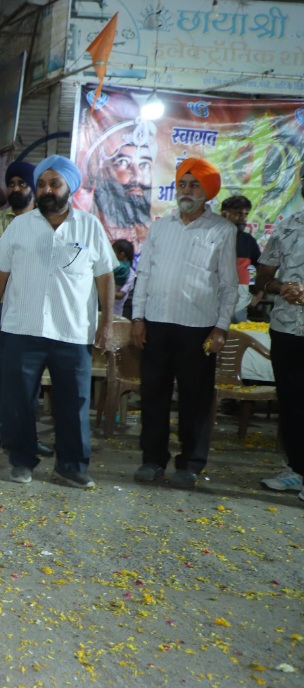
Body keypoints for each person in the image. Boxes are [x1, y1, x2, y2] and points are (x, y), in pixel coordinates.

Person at [0, 155, 115, 489]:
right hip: (20, 328)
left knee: (74, 402)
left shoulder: (90, 227)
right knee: (18, 401)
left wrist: (107, 322)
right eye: (41, 184)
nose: (46, 190)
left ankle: (71, 466)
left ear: (70, 187)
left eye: (54, 184)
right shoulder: (20, 226)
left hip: (73, 330)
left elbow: (105, 276)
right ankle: (21, 461)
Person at [131, 159, 237, 490]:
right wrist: (138, 317)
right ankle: (152, 459)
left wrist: (221, 327)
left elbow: (229, 285)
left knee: (195, 399)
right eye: (182, 184)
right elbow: (144, 274)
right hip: (157, 325)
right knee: (153, 396)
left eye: (194, 185)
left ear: (207, 192)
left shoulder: (222, 230)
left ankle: (190, 464)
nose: (186, 191)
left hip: (198, 329)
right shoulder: (161, 227)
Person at [0, 160, 53, 457]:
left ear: (33, 188)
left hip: (33, 306)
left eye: (23, 183)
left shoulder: (47, 220)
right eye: (11, 184)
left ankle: (24, 435)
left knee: (29, 377)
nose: (16, 188)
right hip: (1, 306)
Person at [253, 170, 304, 499]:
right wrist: (281, 287)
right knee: (291, 402)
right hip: (286, 329)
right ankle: (296, 470)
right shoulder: (286, 227)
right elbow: (262, 279)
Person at [75, 93, 157, 247]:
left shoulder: (152, 235)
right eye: (123, 162)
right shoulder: (82, 228)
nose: (137, 176)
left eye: (144, 164)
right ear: (100, 171)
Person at [220, 195, 261, 323]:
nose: (243, 219)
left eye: (246, 214)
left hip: (239, 307)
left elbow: (262, 268)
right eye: (238, 214)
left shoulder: (249, 241)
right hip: (210, 306)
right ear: (224, 214)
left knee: (237, 335)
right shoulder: (210, 237)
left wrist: (258, 295)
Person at [112, 239, 136, 318]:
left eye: (113, 252)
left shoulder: (131, 274)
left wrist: (104, 289)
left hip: (115, 314)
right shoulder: (111, 266)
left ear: (121, 254)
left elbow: (120, 295)